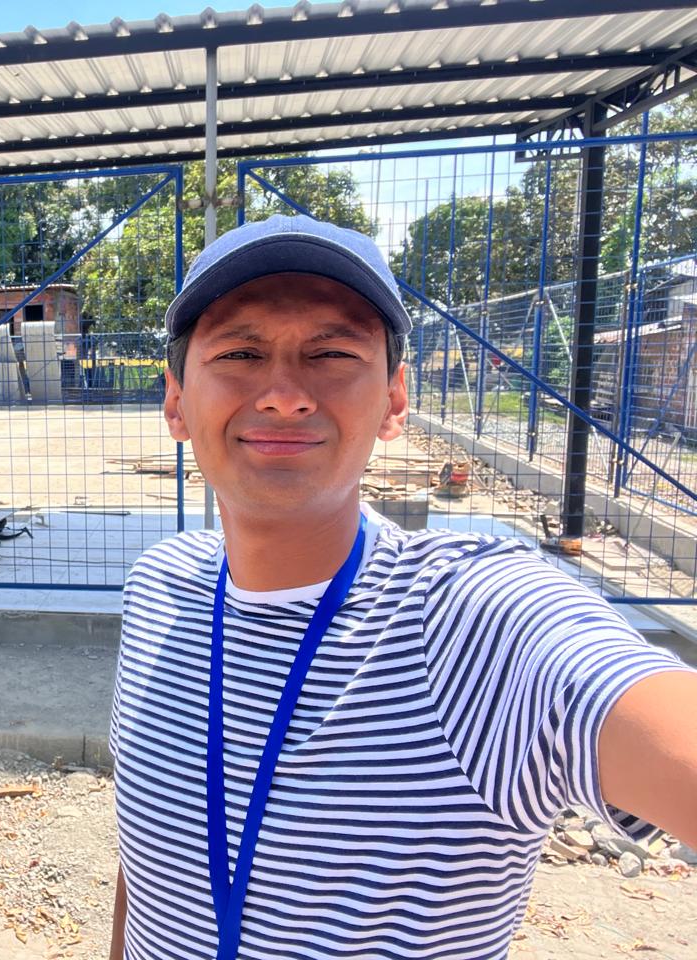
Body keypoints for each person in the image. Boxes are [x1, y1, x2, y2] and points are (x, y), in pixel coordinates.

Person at [108, 215, 697, 960]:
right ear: (176, 402)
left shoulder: (475, 622)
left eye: (332, 353)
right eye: (239, 353)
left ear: (393, 400)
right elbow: (153, 858)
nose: (285, 394)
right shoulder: (160, 588)